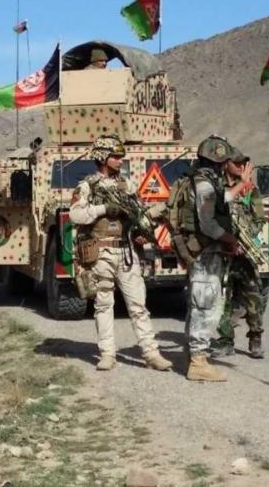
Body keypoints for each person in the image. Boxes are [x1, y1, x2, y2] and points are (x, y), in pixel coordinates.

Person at [69, 135, 173, 372]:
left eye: (119, 156)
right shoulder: (87, 186)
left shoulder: (127, 186)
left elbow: (139, 213)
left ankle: (151, 353)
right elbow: (76, 215)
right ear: (102, 158)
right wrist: (104, 209)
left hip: (126, 252)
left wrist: (142, 231)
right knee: (104, 304)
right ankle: (107, 354)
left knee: (138, 305)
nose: (119, 160)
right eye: (115, 157)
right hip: (101, 252)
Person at [183, 135, 254, 382]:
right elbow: (208, 224)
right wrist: (231, 240)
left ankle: (194, 355)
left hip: (207, 253)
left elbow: (220, 200)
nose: (226, 164)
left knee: (201, 302)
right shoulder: (203, 185)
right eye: (224, 160)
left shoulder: (205, 182)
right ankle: (198, 362)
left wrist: (240, 185)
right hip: (205, 254)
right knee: (204, 303)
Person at [211, 150, 268, 359]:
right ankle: (226, 340)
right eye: (237, 163)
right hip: (224, 252)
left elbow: (259, 218)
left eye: (244, 163)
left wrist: (247, 238)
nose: (241, 167)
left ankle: (255, 338)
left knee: (253, 297)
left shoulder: (250, 190)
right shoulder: (218, 188)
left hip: (244, 253)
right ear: (227, 164)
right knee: (223, 298)